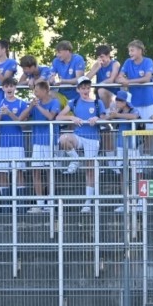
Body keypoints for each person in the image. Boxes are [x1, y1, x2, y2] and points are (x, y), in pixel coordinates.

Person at [57, 78, 102, 212]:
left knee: (90, 169)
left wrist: (97, 118)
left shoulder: (97, 103)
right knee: (63, 139)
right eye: (82, 88)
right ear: (78, 90)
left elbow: (106, 117)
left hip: (93, 138)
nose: (85, 90)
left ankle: (87, 202)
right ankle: (75, 160)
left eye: (87, 88)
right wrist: (71, 117)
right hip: (78, 136)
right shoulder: (74, 102)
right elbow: (59, 117)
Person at [26, 79, 62, 213]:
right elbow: (24, 117)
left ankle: (50, 202)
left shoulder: (54, 102)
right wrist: (31, 106)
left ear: (45, 90)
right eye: (34, 91)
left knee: (49, 171)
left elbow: (51, 117)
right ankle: (39, 202)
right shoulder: (34, 103)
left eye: (37, 91)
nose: (35, 93)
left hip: (49, 141)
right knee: (36, 171)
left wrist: (39, 107)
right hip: (37, 141)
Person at [117, 40, 153, 121]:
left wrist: (128, 81)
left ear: (140, 50)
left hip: (148, 101)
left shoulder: (148, 61)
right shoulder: (128, 62)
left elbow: (147, 78)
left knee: (149, 128)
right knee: (135, 127)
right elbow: (119, 77)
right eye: (129, 51)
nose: (130, 53)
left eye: (132, 50)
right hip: (134, 102)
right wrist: (122, 80)